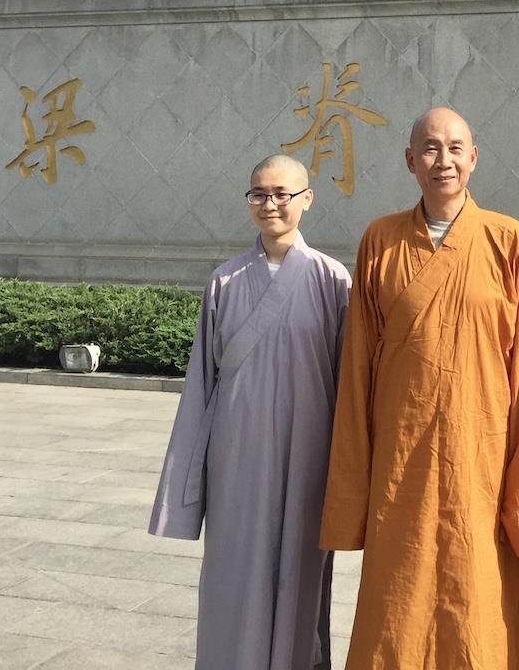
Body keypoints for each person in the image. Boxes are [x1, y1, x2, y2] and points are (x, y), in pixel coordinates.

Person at [320, 106, 519, 670]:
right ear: (410, 161)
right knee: (399, 594)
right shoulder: (380, 240)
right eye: (429, 148)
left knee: (479, 596)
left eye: (454, 148)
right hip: (402, 457)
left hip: (482, 453)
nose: (442, 160)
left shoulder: (507, 240)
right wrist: (354, 483)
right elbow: (357, 369)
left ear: (473, 158)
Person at [149, 154, 351, 670]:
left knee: (301, 573)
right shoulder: (225, 280)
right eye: (259, 194)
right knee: (233, 570)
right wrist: (185, 488)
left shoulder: (333, 280)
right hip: (237, 453)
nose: (270, 204)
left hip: (308, 454)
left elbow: (349, 384)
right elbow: (201, 385)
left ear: (307, 199)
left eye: (283, 194)